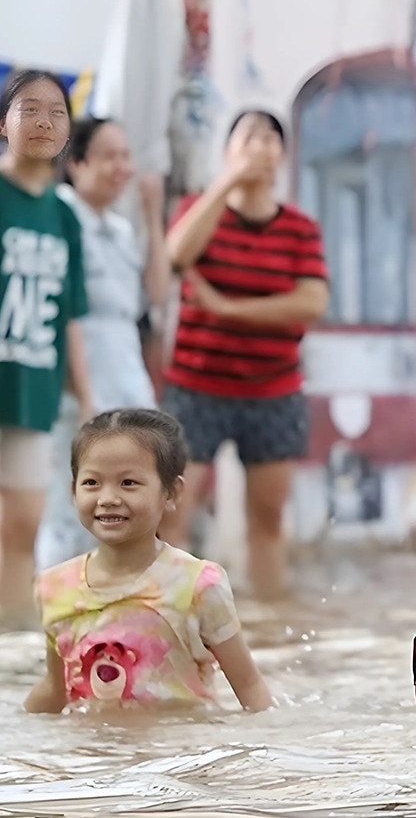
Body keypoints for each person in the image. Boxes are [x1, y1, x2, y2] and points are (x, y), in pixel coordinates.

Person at [161, 110, 329, 601]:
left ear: (282, 156)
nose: (260, 146)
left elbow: (312, 302)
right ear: (227, 150)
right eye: (248, 136)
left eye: (271, 138)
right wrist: (228, 183)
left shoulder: (299, 228)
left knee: (269, 519)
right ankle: (174, 620)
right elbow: (175, 256)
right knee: (176, 511)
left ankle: (268, 624)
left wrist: (227, 307)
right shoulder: (199, 210)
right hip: (195, 385)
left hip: (273, 389)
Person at [25, 407, 271, 712]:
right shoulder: (55, 587)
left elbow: (248, 684)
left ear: (171, 492)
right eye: (92, 483)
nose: (108, 498)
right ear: (72, 491)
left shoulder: (198, 584)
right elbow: (55, 688)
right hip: (91, 757)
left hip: (179, 754)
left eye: (128, 483)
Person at [37, 118, 170, 568]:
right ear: (76, 162)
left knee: (130, 507)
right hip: (79, 387)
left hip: (126, 380)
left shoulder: (120, 228)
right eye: (110, 156)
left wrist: (153, 217)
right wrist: (82, 392)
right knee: (68, 506)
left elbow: (155, 295)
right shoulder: (59, 213)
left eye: (126, 156)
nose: (122, 167)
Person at [0, 70, 93, 628]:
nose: (44, 122)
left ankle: (7, 648)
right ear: (3, 124)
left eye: (56, 113)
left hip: (32, 391)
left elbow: (71, 317)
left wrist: (88, 401)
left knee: (23, 527)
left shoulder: (64, 215)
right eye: (29, 109)